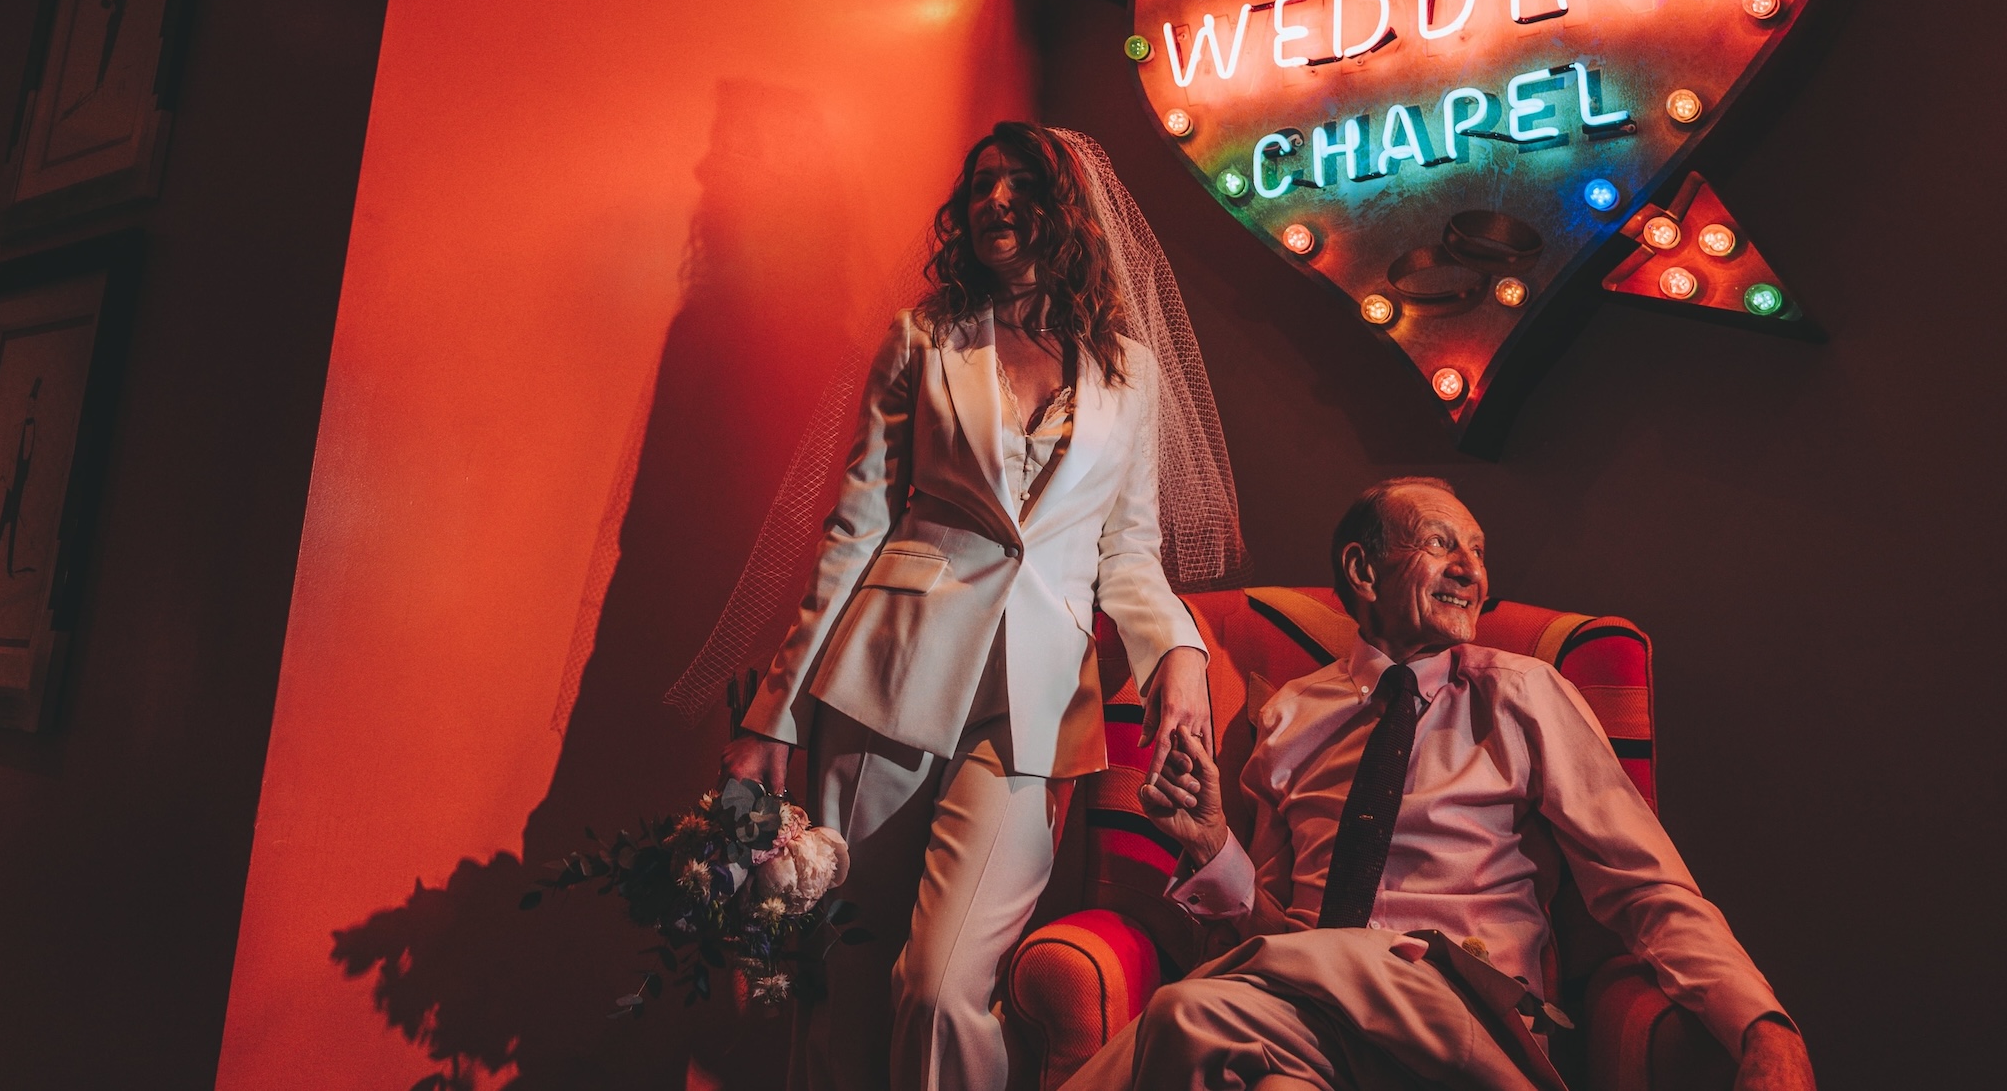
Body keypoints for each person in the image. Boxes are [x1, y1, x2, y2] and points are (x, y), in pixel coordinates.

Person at [720, 122, 1217, 1091]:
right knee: (846, 972)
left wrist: (1179, 653)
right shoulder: (923, 336)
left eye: (1019, 182)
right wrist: (771, 713)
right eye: (981, 183)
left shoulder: (1130, 373)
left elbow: (1129, 552)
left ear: (1068, 209)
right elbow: (855, 529)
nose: (993, 200)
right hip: (883, 681)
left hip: (1030, 710)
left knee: (942, 985)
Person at [1088, 477, 1817, 1091]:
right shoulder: (1288, 715)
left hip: (1467, 1006)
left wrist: (1762, 1024)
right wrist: (1215, 847)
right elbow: (1265, 934)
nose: (1472, 570)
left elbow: (1644, 886)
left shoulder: (1527, 693)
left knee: (1187, 1013)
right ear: (1363, 570)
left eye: (1478, 552)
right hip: (1310, 1010)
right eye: (1442, 544)